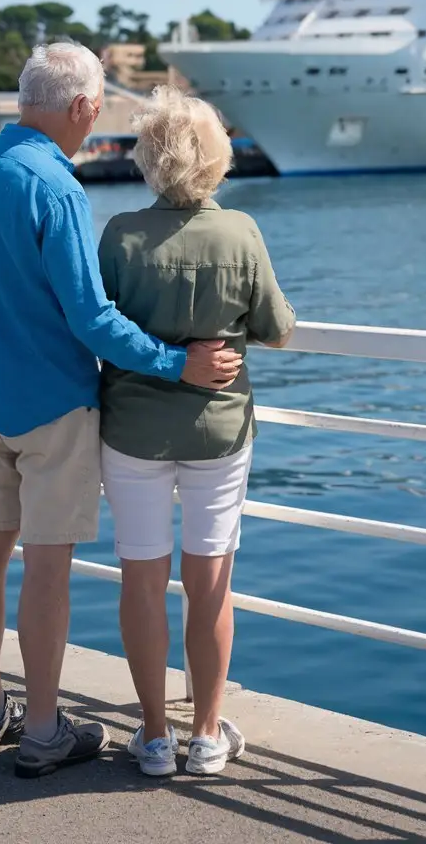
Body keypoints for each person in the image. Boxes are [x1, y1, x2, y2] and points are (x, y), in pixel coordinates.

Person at [0, 44, 241, 780]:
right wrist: (180, 364)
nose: (94, 123)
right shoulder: (56, 186)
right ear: (79, 107)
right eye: (95, 110)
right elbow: (94, 319)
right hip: (53, 405)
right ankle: (43, 728)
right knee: (47, 566)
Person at [98, 85, 295, 778]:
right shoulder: (241, 233)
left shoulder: (120, 233)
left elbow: (102, 329)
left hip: (132, 430)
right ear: (217, 160)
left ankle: (154, 737)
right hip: (217, 431)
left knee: (141, 579)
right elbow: (276, 326)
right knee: (210, 582)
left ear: (149, 160)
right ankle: (208, 735)